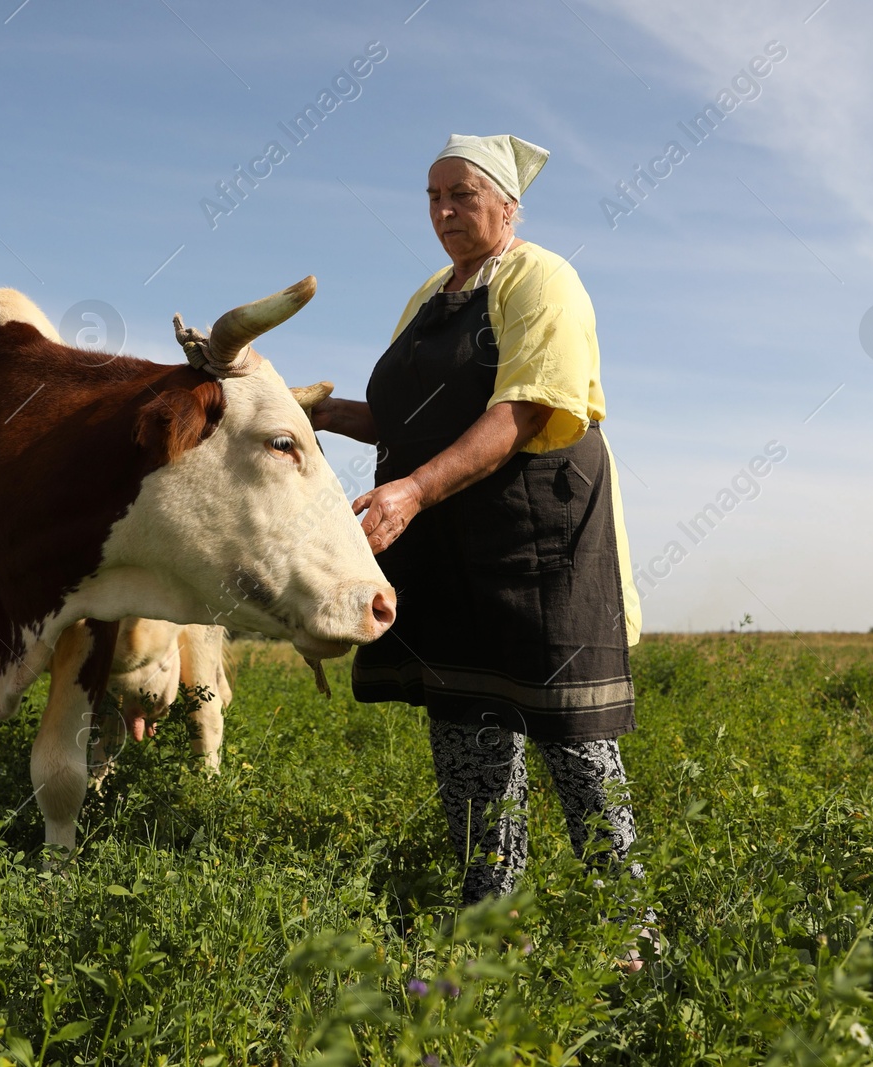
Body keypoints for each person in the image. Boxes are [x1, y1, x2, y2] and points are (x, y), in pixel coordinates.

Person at [310, 134, 649, 954]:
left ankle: (629, 936)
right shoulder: (432, 293)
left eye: (461, 194)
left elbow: (526, 409)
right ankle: (493, 932)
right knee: (467, 733)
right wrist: (310, 413)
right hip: (452, 544)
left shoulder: (544, 279)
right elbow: (405, 418)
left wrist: (414, 488)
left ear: (508, 204)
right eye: (432, 196)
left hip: (541, 536)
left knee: (574, 740)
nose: (443, 211)